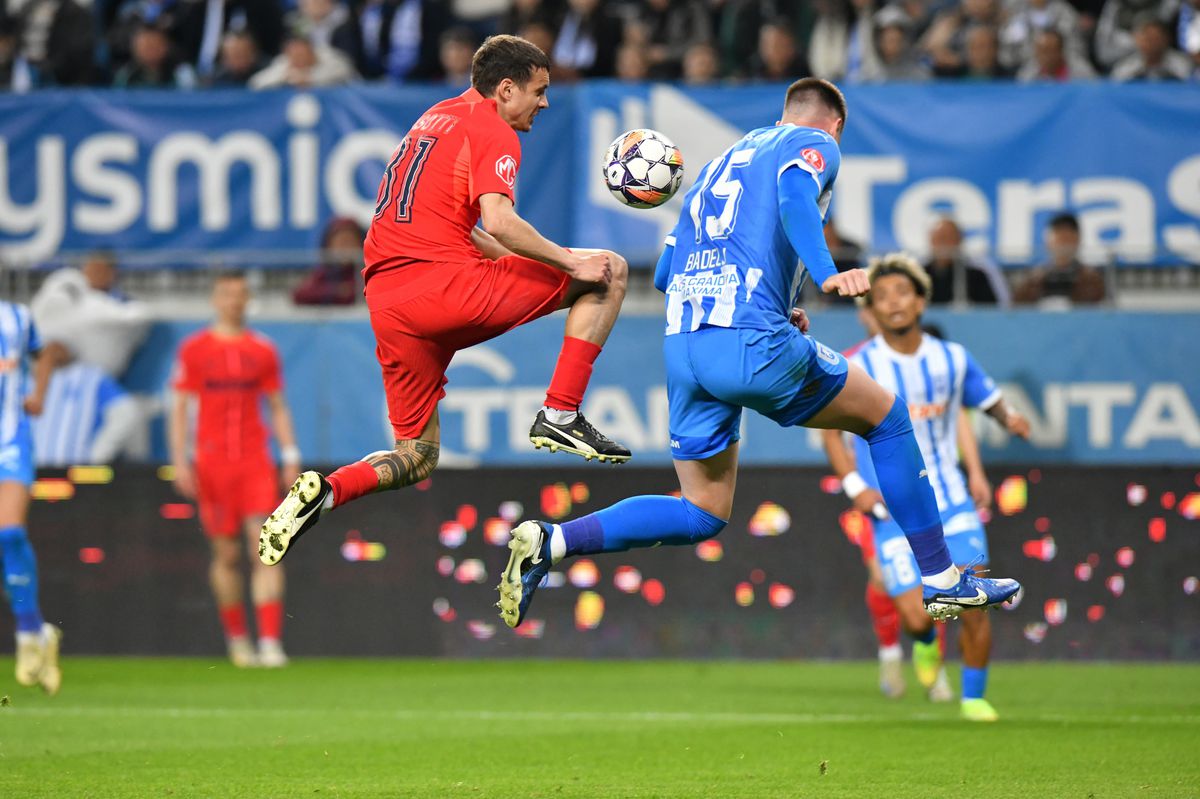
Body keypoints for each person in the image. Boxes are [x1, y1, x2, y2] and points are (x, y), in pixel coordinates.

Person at [494, 78, 1022, 635]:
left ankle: (552, 542)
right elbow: (796, 199)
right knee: (888, 419)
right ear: (834, 124)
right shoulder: (810, 145)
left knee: (702, 511)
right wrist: (826, 275)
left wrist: (782, 301)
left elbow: (671, 272)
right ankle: (943, 581)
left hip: (685, 347)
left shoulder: (720, 166)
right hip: (749, 341)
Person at [258, 35, 631, 568]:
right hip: (445, 289)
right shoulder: (494, 129)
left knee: (416, 456)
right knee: (609, 269)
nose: (544, 103)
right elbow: (499, 221)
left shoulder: (434, 118)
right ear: (506, 89)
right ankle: (561, 411)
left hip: (387, 303)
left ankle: (329, 492)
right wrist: (570, 263)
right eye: (539, 90)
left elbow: (470, 228)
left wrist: (541, 258)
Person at [822, 256, 1031, 721]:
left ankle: (974, 699)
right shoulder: (857, 365)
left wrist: (1009, 419)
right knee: (919, 616)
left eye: (901, 293)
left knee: (974, 601)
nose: (892, 302)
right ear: (871, 309)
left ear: (920, 300)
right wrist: (855, 485)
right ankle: (922, 644)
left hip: (952, 502)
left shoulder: (950, 358)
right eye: (881, 297)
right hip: (891, 513)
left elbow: (984, 398)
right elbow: (830, 432)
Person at [170, 272, 301, 668]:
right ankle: (238, 640)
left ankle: (270, 643)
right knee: (225, 554)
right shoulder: (194, 350)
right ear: (215, 298)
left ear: (248, 300)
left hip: (254, 460)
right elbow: (179, 408)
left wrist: (290, 454)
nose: (234, 301)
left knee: (265, 547)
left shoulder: (262, 350)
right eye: (227, 293)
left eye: (240, 294)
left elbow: (277, 405)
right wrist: (180, 459)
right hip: (211, 463)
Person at [0, 301, 68, 694]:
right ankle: (41, 632)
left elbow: (50, 351)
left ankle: (27, 633)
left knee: (9, 533)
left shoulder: (17, 317)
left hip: (10, 439)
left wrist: (39, 393)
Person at [30, 251, 150, 379]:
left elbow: (134, 319)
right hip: (66, 358)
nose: (92, 274)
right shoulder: (73, 294)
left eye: (98, 270)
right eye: (90, 269)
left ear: (111, 274)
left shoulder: (122, 304)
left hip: (97, 368)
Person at [33, 361, 142, 466]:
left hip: (75, 477)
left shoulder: (87, 377)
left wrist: (96, 459)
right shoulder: (26, 380)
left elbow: (126, 412)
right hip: (32, 478)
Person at [1013, 212, 1107, 305]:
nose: (1063, 245)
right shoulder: (1033, 280)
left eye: (1068, 239)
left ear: (1077, 240)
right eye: (1059, 238)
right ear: (1048, 241)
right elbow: (1017, 308)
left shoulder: (1091, 280)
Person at [924, 217, 1010, 306]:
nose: (945, 244)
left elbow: (991, 311)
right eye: (941, 238)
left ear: (960, 241)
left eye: (950, 238)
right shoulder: (919, 276)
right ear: (931, 241)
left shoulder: (976, 277)